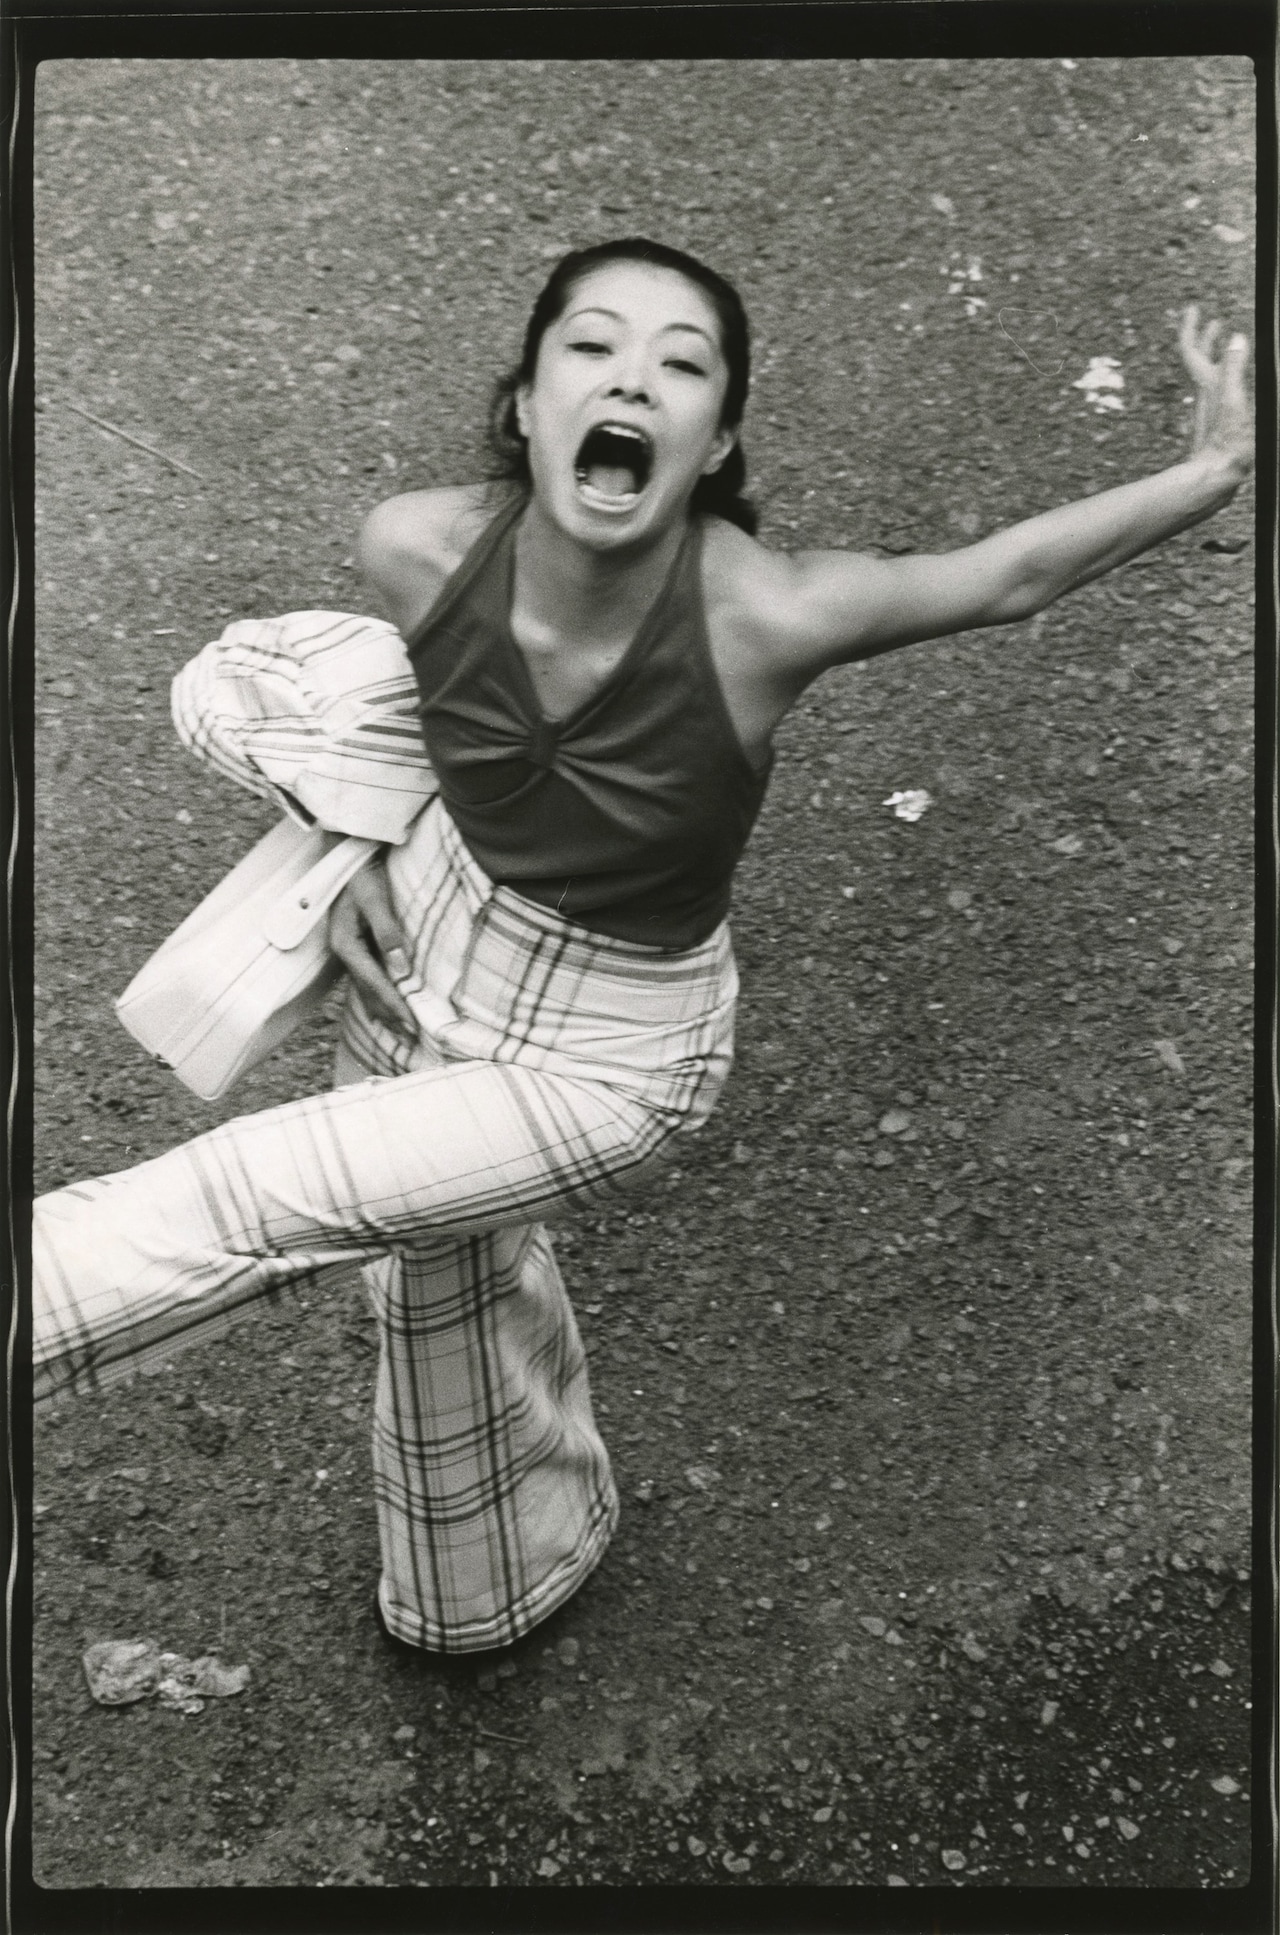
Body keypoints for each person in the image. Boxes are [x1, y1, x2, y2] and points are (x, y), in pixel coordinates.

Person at [33, 238, 1253, 1658]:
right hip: (433, 934)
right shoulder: (418, 546)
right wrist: (352, 828)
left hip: (607, 1058)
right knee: (434, 1281)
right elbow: (286, 696)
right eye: (592, 346)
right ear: (526, 405)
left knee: (250, 1194)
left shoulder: (762, 615)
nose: (632, 380)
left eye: (682, 366)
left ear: (713, 442)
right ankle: (494, 1583)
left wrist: (1210, 473)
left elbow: (1004, 579)